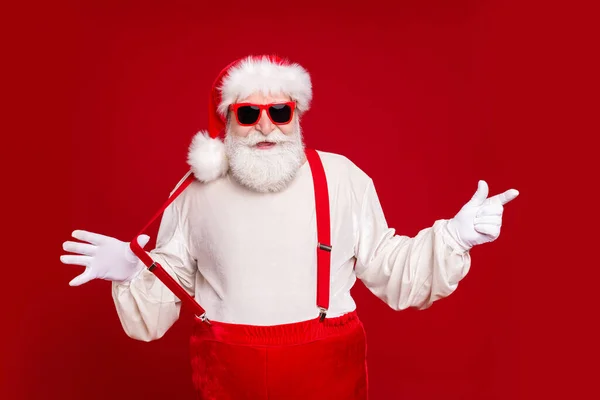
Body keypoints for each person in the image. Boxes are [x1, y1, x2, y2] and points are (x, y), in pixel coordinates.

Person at [60, 54, 519, 400]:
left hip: (326, 379)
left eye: (280, 112)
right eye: (248, 113)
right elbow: (169, 284)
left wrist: (456, 237)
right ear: (225, 122)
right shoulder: (195, 188)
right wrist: (131, 270)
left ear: (296, 116)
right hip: (228, 379)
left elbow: (391, 267)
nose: (266, 127)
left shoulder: (342, 178)